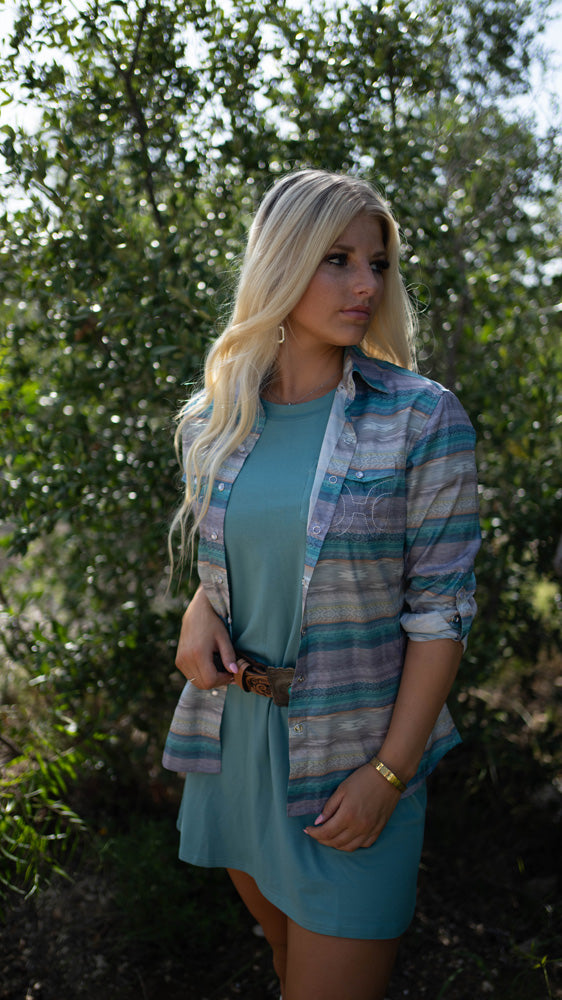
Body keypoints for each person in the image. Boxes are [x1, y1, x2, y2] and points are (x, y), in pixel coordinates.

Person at [162, 169, 481, 1000]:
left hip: (356, 763)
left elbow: (441, 614)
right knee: (284, 963)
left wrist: (387, 776)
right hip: (238, 752)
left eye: (376, 263)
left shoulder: (421, 417)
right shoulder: (217, 419)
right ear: (283, 261)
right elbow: (252, 546)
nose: (367, 284)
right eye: (337, 259)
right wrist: (202, 604)